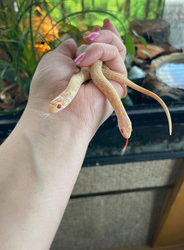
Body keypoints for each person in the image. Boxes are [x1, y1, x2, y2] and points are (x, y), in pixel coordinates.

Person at [0, 19, 127, 249]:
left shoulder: (76, 82)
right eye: (58, 106)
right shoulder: (67, 87)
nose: (55, 106)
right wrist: (55, 115)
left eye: (57, 106)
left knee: (92, 60)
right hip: (81, 79)